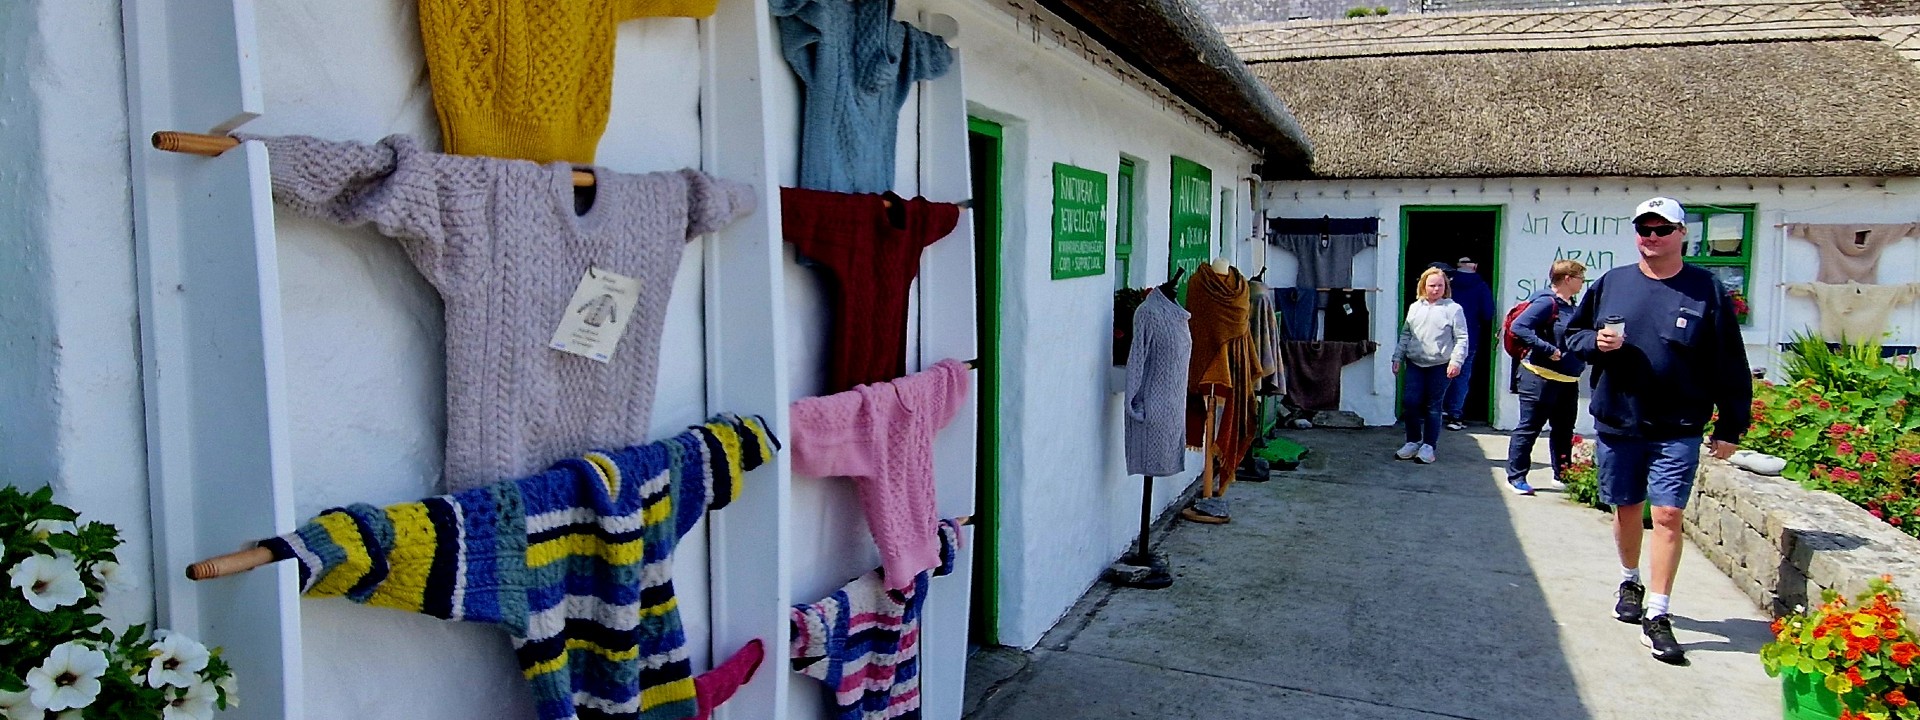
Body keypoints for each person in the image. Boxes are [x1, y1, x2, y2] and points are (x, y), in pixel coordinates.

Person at [1565, 197, 1750, 665]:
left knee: (1667, 515)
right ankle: (1630, 580)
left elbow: (1729, 361)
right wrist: (1596, 343)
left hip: (1679, 424)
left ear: (1682, 234)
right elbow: (1573, 335)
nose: (1651, 236)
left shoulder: (1706, 289)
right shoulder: (1612, 283)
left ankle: (1660, 613)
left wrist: (1731, 424)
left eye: (1661, 229)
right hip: (1619, 419)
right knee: (1627, 509)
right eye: (1644, 229)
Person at [1504, 260, 1587, 496]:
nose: (1583, 283)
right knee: (1530, 427)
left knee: (1563, 430)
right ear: (1568, 279)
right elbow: (1519, 327)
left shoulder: (1572, 305)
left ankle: (1562, 475)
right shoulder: (1546, 302)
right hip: (1539, 378)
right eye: (1580, 278)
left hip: (1567, 380)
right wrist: (1548, 349)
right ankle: (1516, 476)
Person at [1391, 267, 1469, 464]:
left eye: (1440, 285)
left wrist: (1456, 361)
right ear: (1423, 286)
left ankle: (1429, 446)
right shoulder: (1415, 307)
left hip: (1440, 365)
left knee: (1433, 406)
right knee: (1410, 402)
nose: (1436, 289)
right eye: (1432, 285)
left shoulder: (1453, 309)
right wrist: (1397, 357)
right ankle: (1413, 441)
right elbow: (1406, 334)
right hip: (1415, 362)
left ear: (1446, 287)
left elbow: (1461, 338)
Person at [1444, 256, 1496, 431]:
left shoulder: (1446, 284)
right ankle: (1455, 415)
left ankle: (1436, 410)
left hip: (1444, 337)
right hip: (1469, 337)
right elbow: (1488, 313)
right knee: (1462, 376)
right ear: (1475, 266)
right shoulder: (1481, 286)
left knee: (1440, 373)